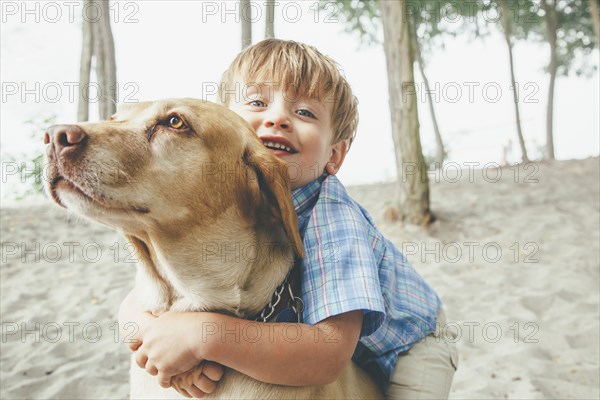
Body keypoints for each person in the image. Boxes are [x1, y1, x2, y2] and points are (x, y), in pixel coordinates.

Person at [119, 38, 458, 399]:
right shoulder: (228, 203)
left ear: (334, 155)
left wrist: (207, 335)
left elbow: (327, 354)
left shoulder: (335, 223)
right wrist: (154, 337)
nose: (277, 118)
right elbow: (138, 299)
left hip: (409, 343)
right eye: (256, 103)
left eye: (305, 113)